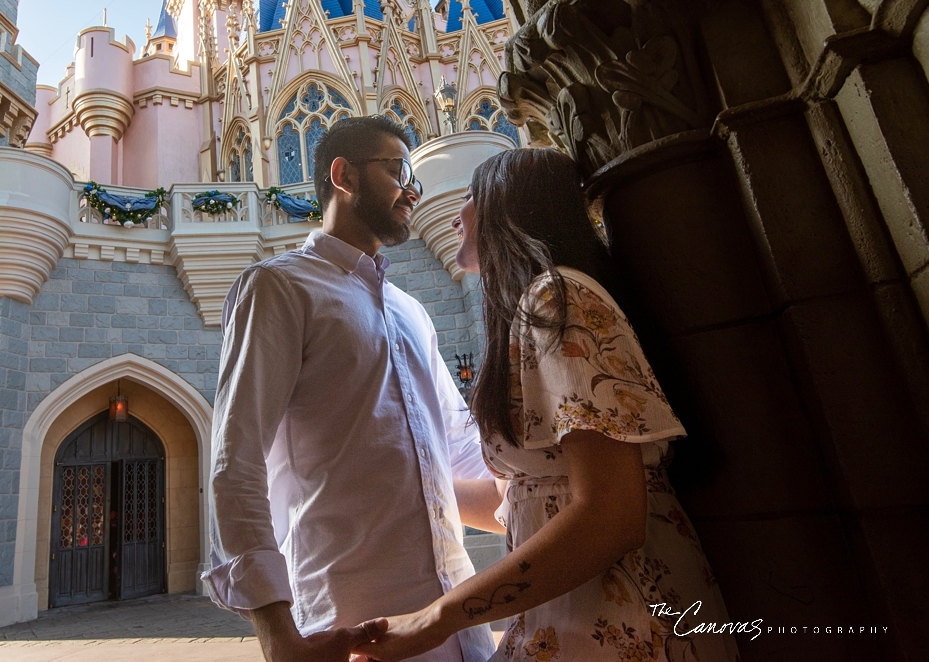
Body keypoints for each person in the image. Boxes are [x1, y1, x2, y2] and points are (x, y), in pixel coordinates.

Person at [353, 148, 740, 662]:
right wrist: (399, 477)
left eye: (470, 197)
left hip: (619, 613)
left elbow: (610, 513)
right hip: (570, 610)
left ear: (508, 208)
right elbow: (519, 502)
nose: (454, 213)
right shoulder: (531, 308)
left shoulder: (555, 298)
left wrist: (437, 617)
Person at [204, 116, 497, 662]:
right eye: (398, 170)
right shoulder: (280, 286)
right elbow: (235, 461)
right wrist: (278, 637)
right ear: (344, 175)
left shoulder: (413, 312)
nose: (413, 189)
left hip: (458, 621)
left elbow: (458, 455)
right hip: (349, 619)